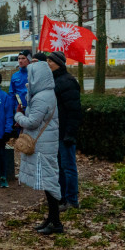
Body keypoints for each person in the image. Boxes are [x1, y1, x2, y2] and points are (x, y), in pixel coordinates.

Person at [15, 60, 62, 234]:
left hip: (42, 146)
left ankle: (56, 223)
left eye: (30, 76)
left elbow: (32, 122)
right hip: (45, 144)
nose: (28, 79)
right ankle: (51, 219)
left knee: (49, 183)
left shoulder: (42, 97)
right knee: (48, 182)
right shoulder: (45, 94)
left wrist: (18, 116)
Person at [47, 51, 82, 211]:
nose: (48, 63)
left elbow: (74, 111)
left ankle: (72, 200)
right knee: (59, 168)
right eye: (47, 60)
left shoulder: (67, 81)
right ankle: (61, 198)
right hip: (55, 132)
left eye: (51, 61)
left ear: (59, 63)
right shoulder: (53, 81)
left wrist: (70, 134)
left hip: (64, 133)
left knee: (68, 167)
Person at [9, 50, 31, 119]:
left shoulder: (34, 74)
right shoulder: (15, 76)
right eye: (19, 58)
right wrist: (12, 110)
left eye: (23, 58)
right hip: (19, 110)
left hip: (32, 109)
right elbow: (12, 94)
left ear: (29, 59)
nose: (20, 61)